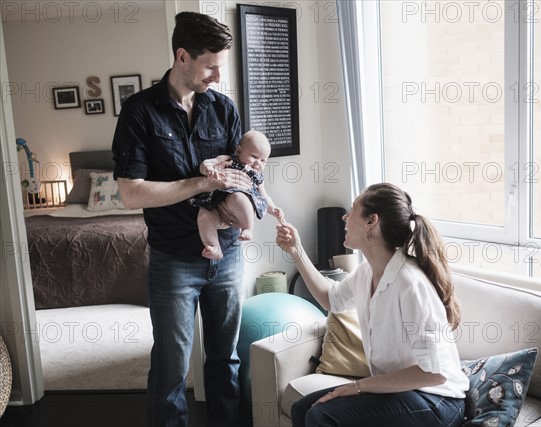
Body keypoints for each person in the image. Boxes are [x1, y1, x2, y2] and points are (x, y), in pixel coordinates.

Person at [112, 12, 250, 427]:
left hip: (226, 256)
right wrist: (196, 183)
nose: (217, 77)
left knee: (226, 360)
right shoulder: (139, 112)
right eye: (211, 66)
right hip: (173, 260)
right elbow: (131, 193)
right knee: (171, 368)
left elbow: (240, 176)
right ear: (183, 56)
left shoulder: (224, 109)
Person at [276, 183, 469, 427]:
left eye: (352, 209)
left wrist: (358, 386)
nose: (344, 217)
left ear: (371, 221)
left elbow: (434, 373)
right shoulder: (367, 272)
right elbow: (331, 299)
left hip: (438, 400)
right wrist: (296, 251)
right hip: (402, 392)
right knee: (304, 408)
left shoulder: (410, 284)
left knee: (320, 415)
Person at [190, 130, 285, 259]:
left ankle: (247, 228)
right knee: (203, 216)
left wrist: (273, 209)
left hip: (236, 207)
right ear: (239, 151)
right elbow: (207, 164)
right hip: (215, 203)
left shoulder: (256, 176)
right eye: (254, 157)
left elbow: (264, 196)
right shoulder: (228, 159)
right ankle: (214, 247)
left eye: (263, 161)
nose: (258, 163)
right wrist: (208, 168)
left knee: (238, 198)